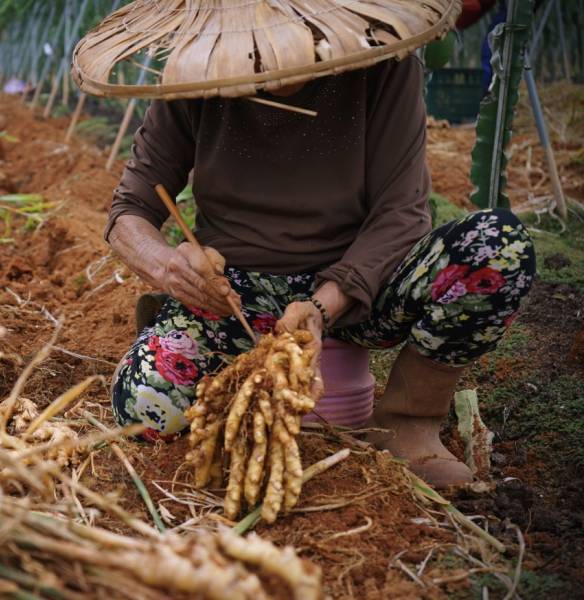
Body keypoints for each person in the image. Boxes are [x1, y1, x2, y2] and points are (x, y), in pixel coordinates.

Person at [77, 2, 537, 489]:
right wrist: (169, 266)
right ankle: (245, 392)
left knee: (496, 246)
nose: (275, 65)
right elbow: (129, 210)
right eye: (256, 50)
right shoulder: (195, 74)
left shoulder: (383, 66)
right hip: (235, 296)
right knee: (145, 410)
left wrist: (324, 304)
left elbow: (401, 212)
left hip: (359, 292)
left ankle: (408, 419)